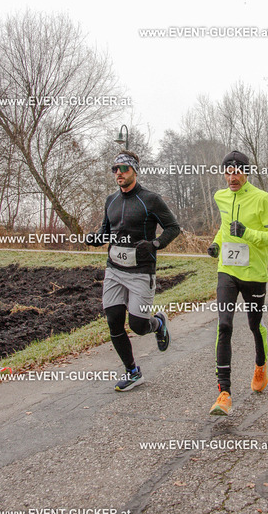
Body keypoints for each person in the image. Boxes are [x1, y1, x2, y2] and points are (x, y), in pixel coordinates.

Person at [87, 151, 180, 391]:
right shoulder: (111, 200)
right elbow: (106, 231)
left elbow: (173, 227)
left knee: (138, 326)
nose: (118, 173)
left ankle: (158, 323)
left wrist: (155, 244)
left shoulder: (151, 199)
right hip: (114, 270)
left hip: (141, 271)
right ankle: (132, 371)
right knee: (114, 321)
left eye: (124, 168)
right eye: (114, 169)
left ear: (135, 171)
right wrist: (96, 239)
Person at [207, 150, 268, 416]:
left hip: (254, 274)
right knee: (224, 325)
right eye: (227, 172)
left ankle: (261, 365)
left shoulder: (262, 199)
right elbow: (224, 227)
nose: (232, 178)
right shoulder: (220, 196)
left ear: (246, 173)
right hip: (227, 270)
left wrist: (247, 233)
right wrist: (216, 244)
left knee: (254, 325)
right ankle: (224, 393)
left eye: (237, 172)